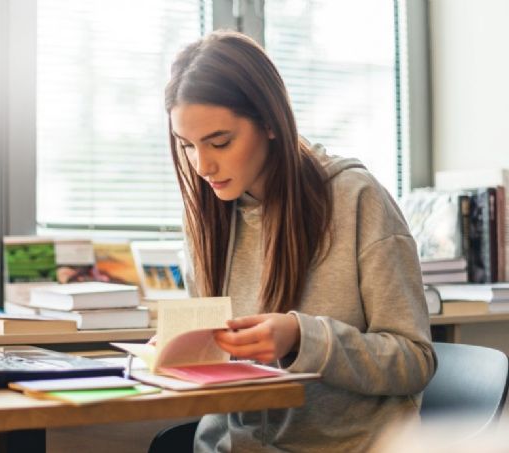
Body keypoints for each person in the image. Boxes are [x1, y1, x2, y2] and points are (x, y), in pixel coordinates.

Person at [164, 30, 436, 452]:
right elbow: (218, 364)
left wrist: (303, 339)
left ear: (270, 122)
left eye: (220, 142)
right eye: (187, 146)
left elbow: (414, 360)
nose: (202, 165)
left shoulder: (355, 199)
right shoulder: (208, 214)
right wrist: (180, 352)